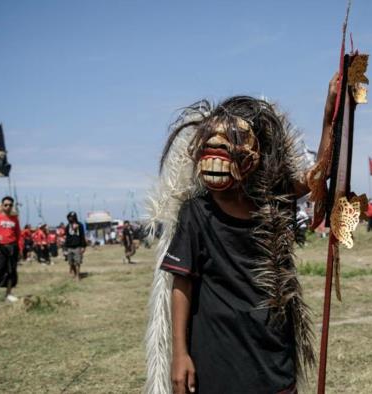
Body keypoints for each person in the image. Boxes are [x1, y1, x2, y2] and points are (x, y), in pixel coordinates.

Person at [144, 74, 344, 394]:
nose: (217, 156)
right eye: (211, 144)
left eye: (230, 145)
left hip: (272, 358)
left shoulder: (271, 198)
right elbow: (182, 283)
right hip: (216, 362)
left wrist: (328, 113)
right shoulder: (197, 212)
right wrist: (179, 354)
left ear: (255, 156)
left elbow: (318, 176)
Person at [63, 212, 86, 280]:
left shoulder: (80, 225)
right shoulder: (67, 226)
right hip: (69, 247)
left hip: (77, 246)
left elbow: (82, 236)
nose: (70, 218)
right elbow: (67, 237)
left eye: (71, 217)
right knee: (71, 262)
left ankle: (78, 275)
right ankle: (75, 273)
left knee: (78, 262)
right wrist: (65, 248)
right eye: (69, 217)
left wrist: (83, 246)